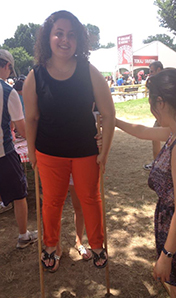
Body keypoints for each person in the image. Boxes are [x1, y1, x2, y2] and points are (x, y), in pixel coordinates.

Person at [23, 10, 115, 272]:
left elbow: (109, 114)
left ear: (79, 40)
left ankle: (96, 244)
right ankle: (50, 246)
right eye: (59, 33)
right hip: (49, 152)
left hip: (85, 151)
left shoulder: (89, 71)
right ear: (48, 38)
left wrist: (104, 151)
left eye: (71, 35)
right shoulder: (35, 75)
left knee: (90, 198)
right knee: (52, 201)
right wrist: (32, 153)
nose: (65, 40)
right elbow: (31, 119)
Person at [116, 68, 176, 298]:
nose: (152, 111)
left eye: (152, 104)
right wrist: (114, 121)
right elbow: (143, 131)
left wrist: (167, 255)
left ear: (160, 102)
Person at [0, 49, 38, 248]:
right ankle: (23, 236)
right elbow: (23, 128)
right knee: (19, 195)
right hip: (4, 153)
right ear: (7, 66)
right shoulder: (7, 92)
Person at [143, 61, 163, 171]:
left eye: (152, 71)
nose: (150, 73)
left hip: (165, 116)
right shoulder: (160, 81)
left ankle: (158, 164)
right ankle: (157, 163)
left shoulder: (162, 82)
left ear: (159, 69)